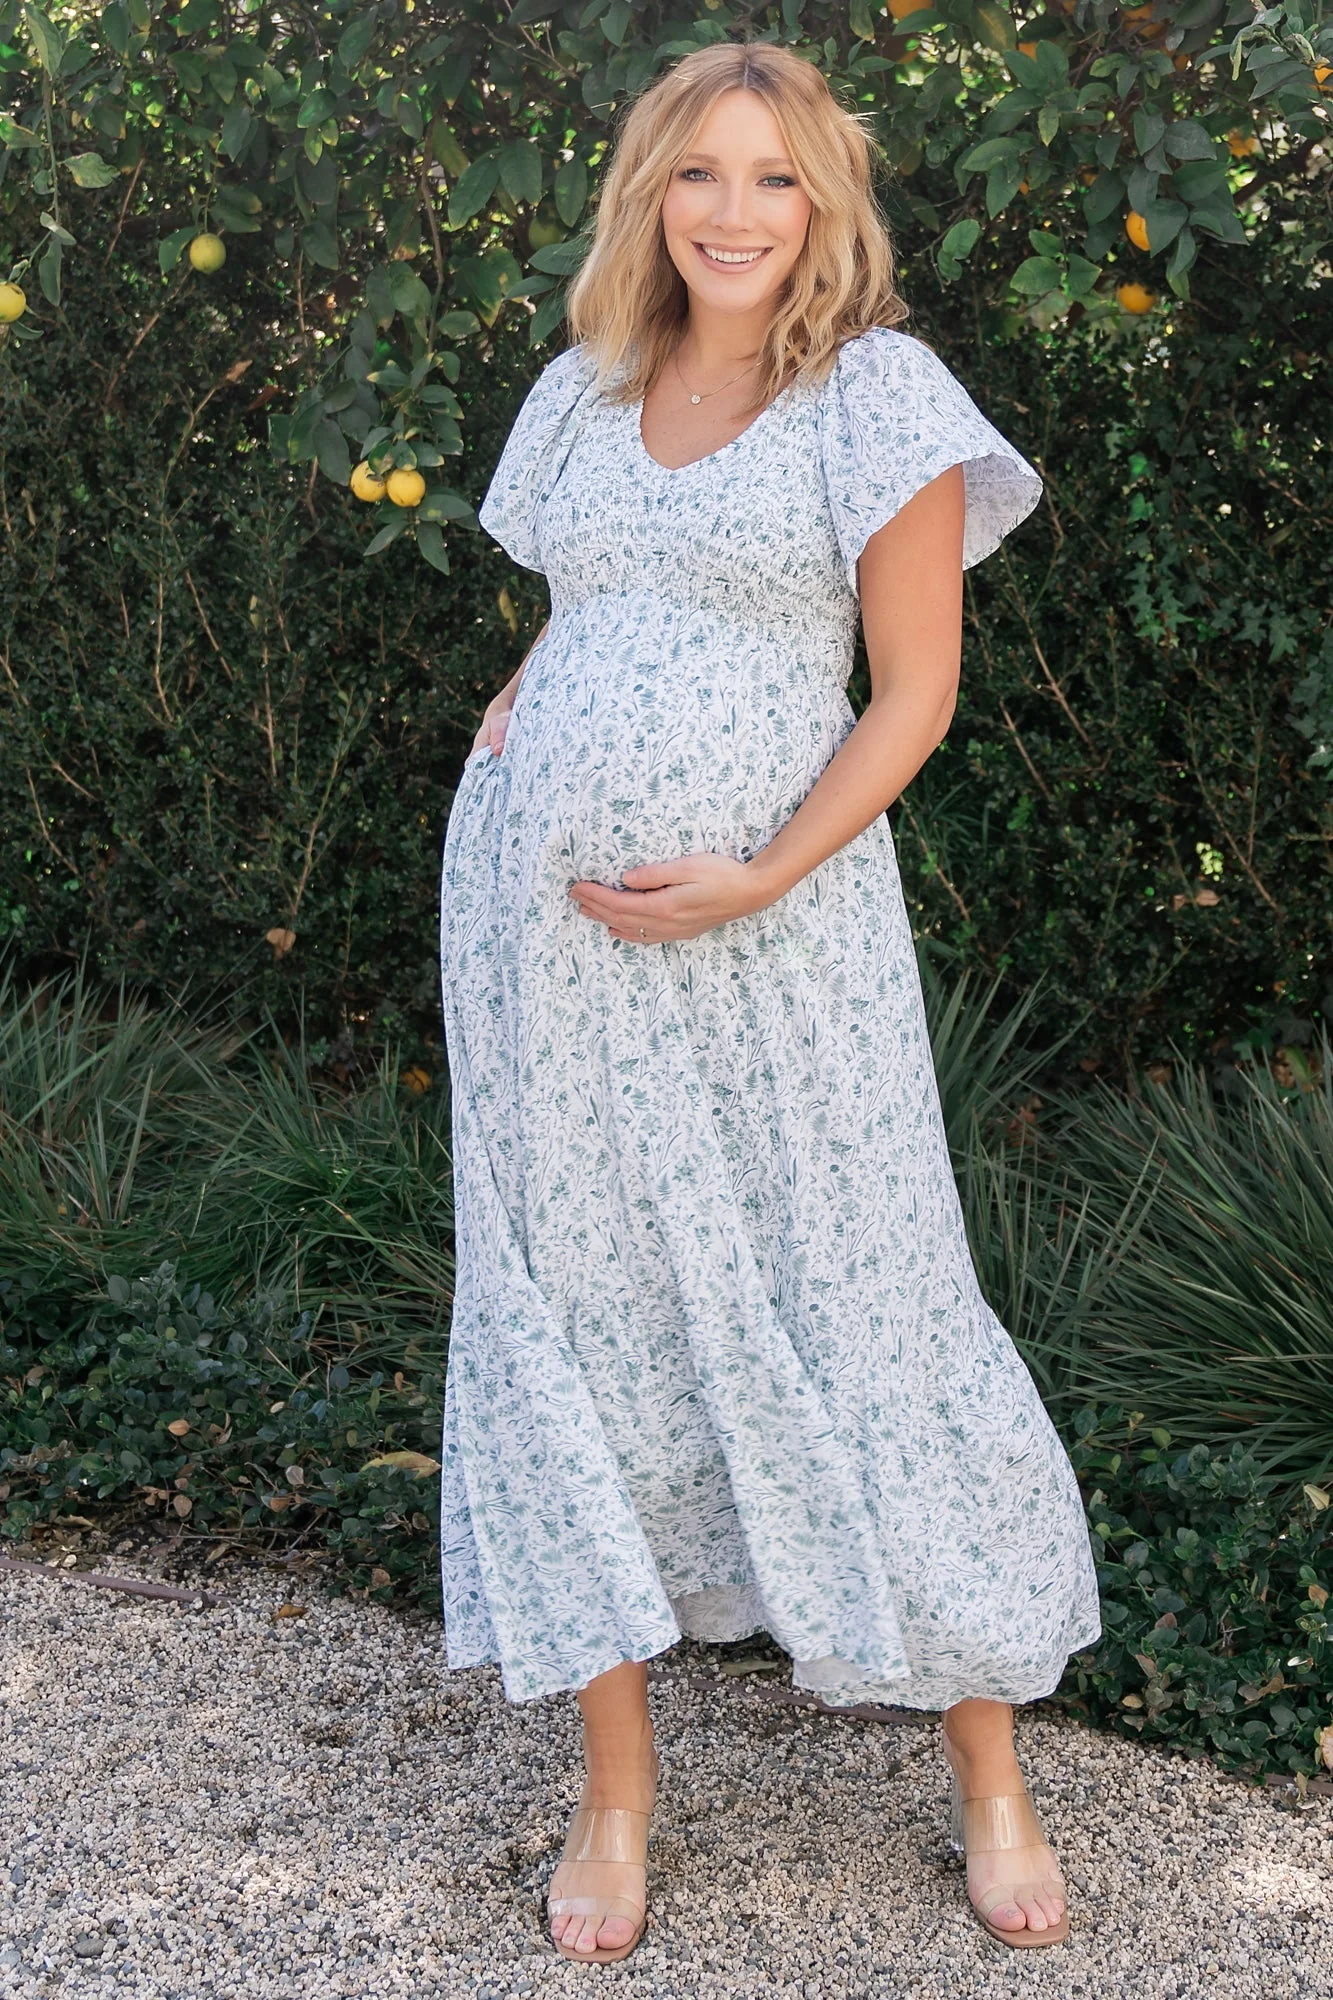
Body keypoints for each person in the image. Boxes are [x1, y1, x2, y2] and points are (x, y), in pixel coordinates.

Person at [438, 36, 1100, 1968]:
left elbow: (910, 696)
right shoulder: (584, 389)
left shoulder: (874, 397)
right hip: (544, 946)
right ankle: (618, 1792)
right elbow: (588, 607)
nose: (734, 214)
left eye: (775, 178)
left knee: (866, 1290)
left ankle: (989, 1772)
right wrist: (524, 724)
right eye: (699, 175)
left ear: (828, 203)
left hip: (777, 937)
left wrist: (754, 872)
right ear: (649, 196)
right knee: (584, 1310)